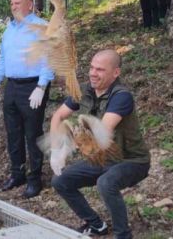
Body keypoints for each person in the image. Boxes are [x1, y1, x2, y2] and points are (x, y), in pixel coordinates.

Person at [50, 50, 149, 238]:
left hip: (132, 161)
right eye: (92, 67)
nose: (93, 73)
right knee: (61, 181)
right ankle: (96, 225)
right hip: (104, 159)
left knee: (106, 183)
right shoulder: (85, 91)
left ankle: (123, 235)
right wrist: (56, 150)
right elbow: (58, 116)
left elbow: (102, 132)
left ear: (116, 73)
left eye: (100, 70)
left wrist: (69, 147)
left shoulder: (121, 96)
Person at [0, 0, 54, 199]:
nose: (14, 6)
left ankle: (35, 179)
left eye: (18, 3)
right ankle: (18, 174)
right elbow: (2, 59)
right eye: (12, 3)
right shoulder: (9, 30)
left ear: (30, 5)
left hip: (33, 86)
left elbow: (49, 59)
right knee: (13, 133)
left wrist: (41, 87)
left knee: (32, 134)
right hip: (12, 86)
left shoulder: (41, 27)